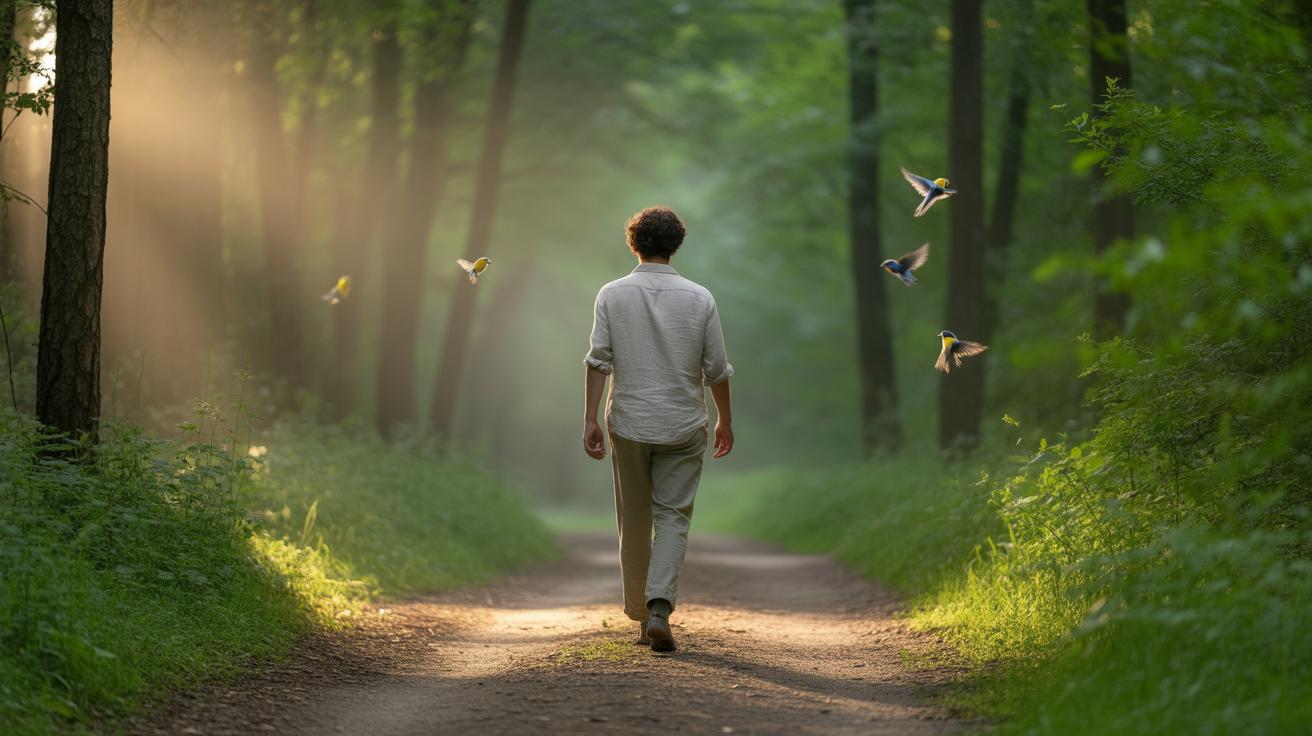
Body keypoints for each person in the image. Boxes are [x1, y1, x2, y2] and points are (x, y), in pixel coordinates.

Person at [582, 206, 734, 653]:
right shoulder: (700, 298)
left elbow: (598, 361)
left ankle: (638, 615)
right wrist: (725, 418)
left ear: (634, 243)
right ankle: (658, 609)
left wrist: (590, 418)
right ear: (676, 245)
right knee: (673, 517)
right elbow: (717, 370)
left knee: (634, 517)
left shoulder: (611, 294)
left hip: (628, 422)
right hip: (684, 424)